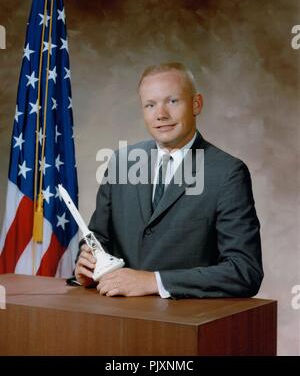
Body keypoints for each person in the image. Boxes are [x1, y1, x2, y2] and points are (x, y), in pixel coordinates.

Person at [74, 62, 263, 299]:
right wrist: (88, 264)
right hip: (117, 319)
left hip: (185, 326)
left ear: (196, 104)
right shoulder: (121, 162)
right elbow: (99, 239)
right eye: (150, 105)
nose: (160, 114)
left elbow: (244, 271)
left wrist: (154, 281)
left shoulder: (227, 173)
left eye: (172, 101)